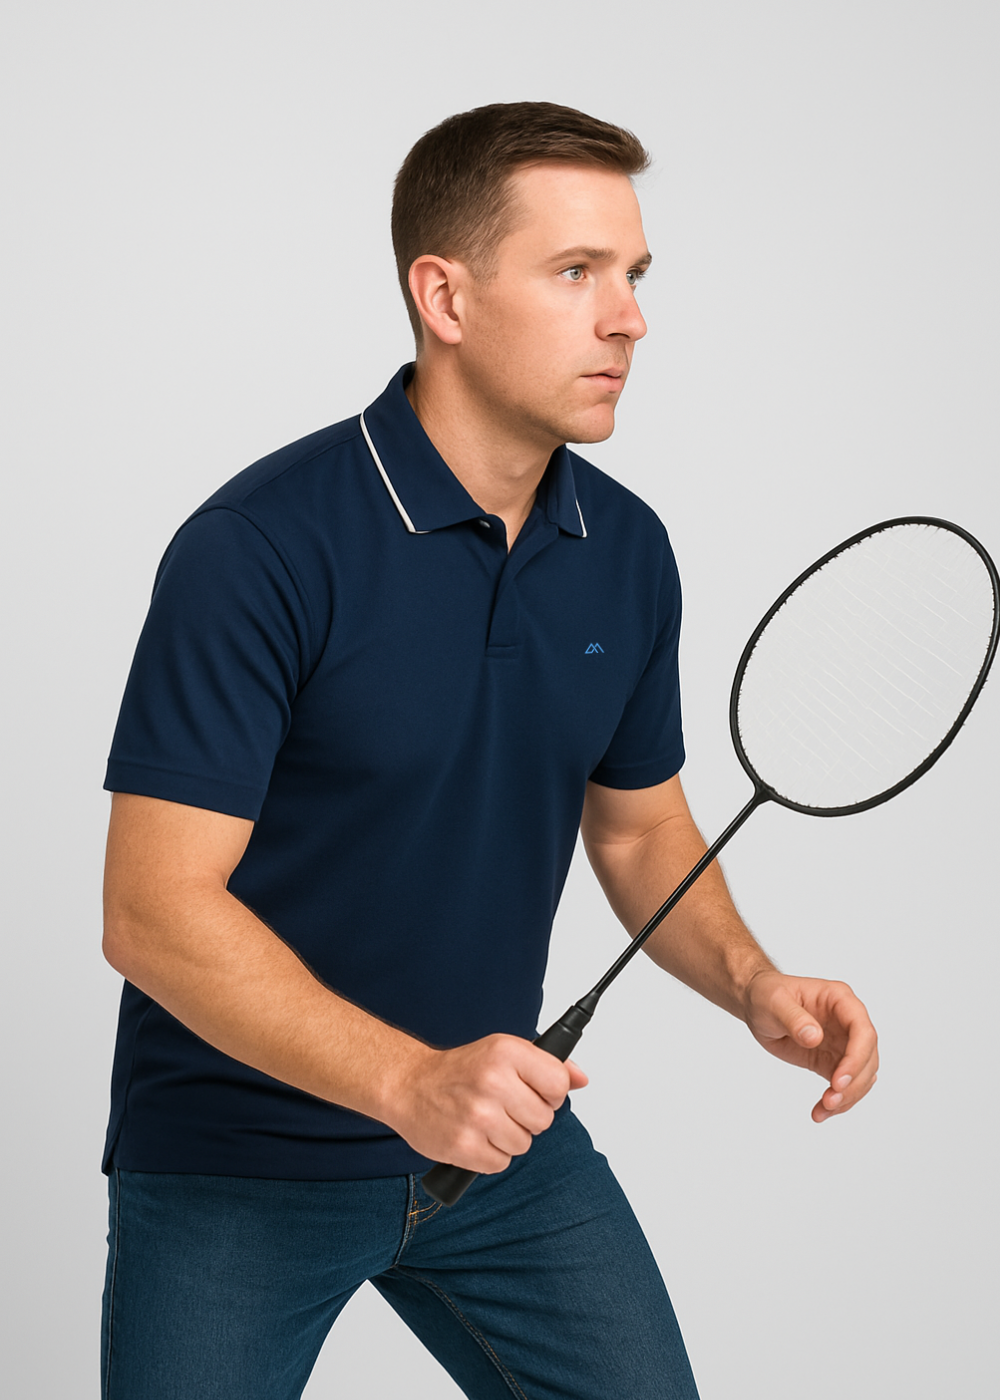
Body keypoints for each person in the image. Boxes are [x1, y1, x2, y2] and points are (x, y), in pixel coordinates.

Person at [100, 101, 879, 1399]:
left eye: (634, 275)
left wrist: (751, 981)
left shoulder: (626, 551)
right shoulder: (259, 549)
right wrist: (409, 1080)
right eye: (576, 271)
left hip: (498, 1150)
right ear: (444, 296)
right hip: (240, 1159)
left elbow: (638, 824)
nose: (628, 319)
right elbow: (151, 913)